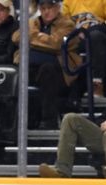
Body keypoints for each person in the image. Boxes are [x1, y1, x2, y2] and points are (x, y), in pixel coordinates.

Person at [13, 0, 80, 130]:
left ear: (57, 7)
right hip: (33, 68)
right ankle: (15, 124)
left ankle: (48, 120)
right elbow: (16, 37)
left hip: (60, 72)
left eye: (49, 8)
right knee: (15, 73)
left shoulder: (68, 24)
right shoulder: (33, 22)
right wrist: (42, 40)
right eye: (43, 8)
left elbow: (56, 44)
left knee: (47, 69)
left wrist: (32, 39)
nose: (46, 12)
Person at [62, 0, 106, 97]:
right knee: (63, 42)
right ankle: (70, 93)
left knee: (95, 37)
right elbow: (63, 23)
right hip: (77, 37)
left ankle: (97, 84)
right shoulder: (68, 1)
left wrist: (87, 32)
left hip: (102, 37)